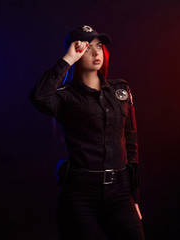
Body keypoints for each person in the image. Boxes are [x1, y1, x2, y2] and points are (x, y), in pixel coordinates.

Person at [29, 25, 145, 240]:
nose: (95, 53)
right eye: (87, 48)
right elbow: (40, 98)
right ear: (75, 52)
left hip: (120, 194)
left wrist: (134, 197)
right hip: (81, 195)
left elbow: (131, 144)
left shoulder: (121, 90)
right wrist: (67, 60)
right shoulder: (64, 96)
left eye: (99, 47)